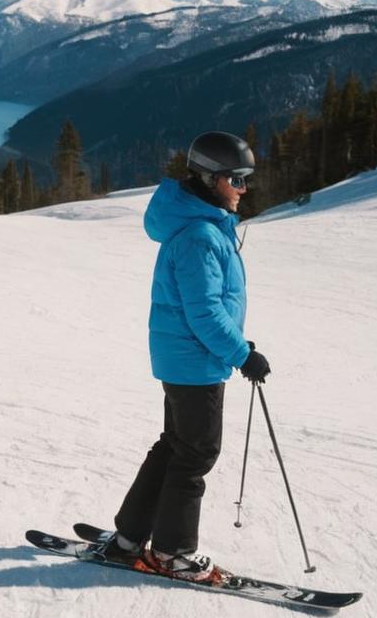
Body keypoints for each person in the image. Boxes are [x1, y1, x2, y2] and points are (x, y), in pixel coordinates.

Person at [101, 131, 272, 582]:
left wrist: (237, 345)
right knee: (195, 454)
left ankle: (128, 540)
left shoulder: (204, 226)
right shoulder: (200, 236)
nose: (243, 189)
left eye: (246, 179)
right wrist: (242, 354)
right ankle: (174, 553)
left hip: (185, 359)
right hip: (195, 360)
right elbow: (204, 312)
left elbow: (206, 307)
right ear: (211, 179)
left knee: (174, 448)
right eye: (237, 179)